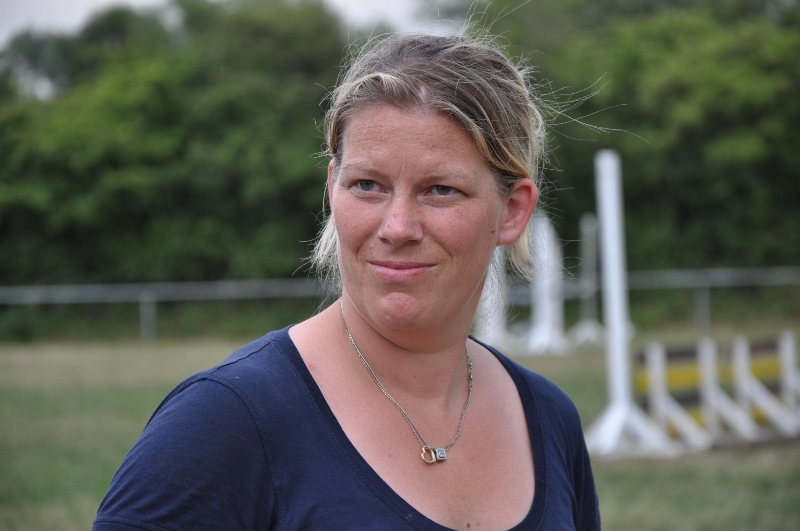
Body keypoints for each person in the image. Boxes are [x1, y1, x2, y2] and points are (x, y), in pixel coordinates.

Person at [93, 32, 600, 531]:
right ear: (332, 188)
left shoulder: (548, 419)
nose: (397, 228)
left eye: (440, 190)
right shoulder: (225, 419)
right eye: (368, 185)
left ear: (512, 211)